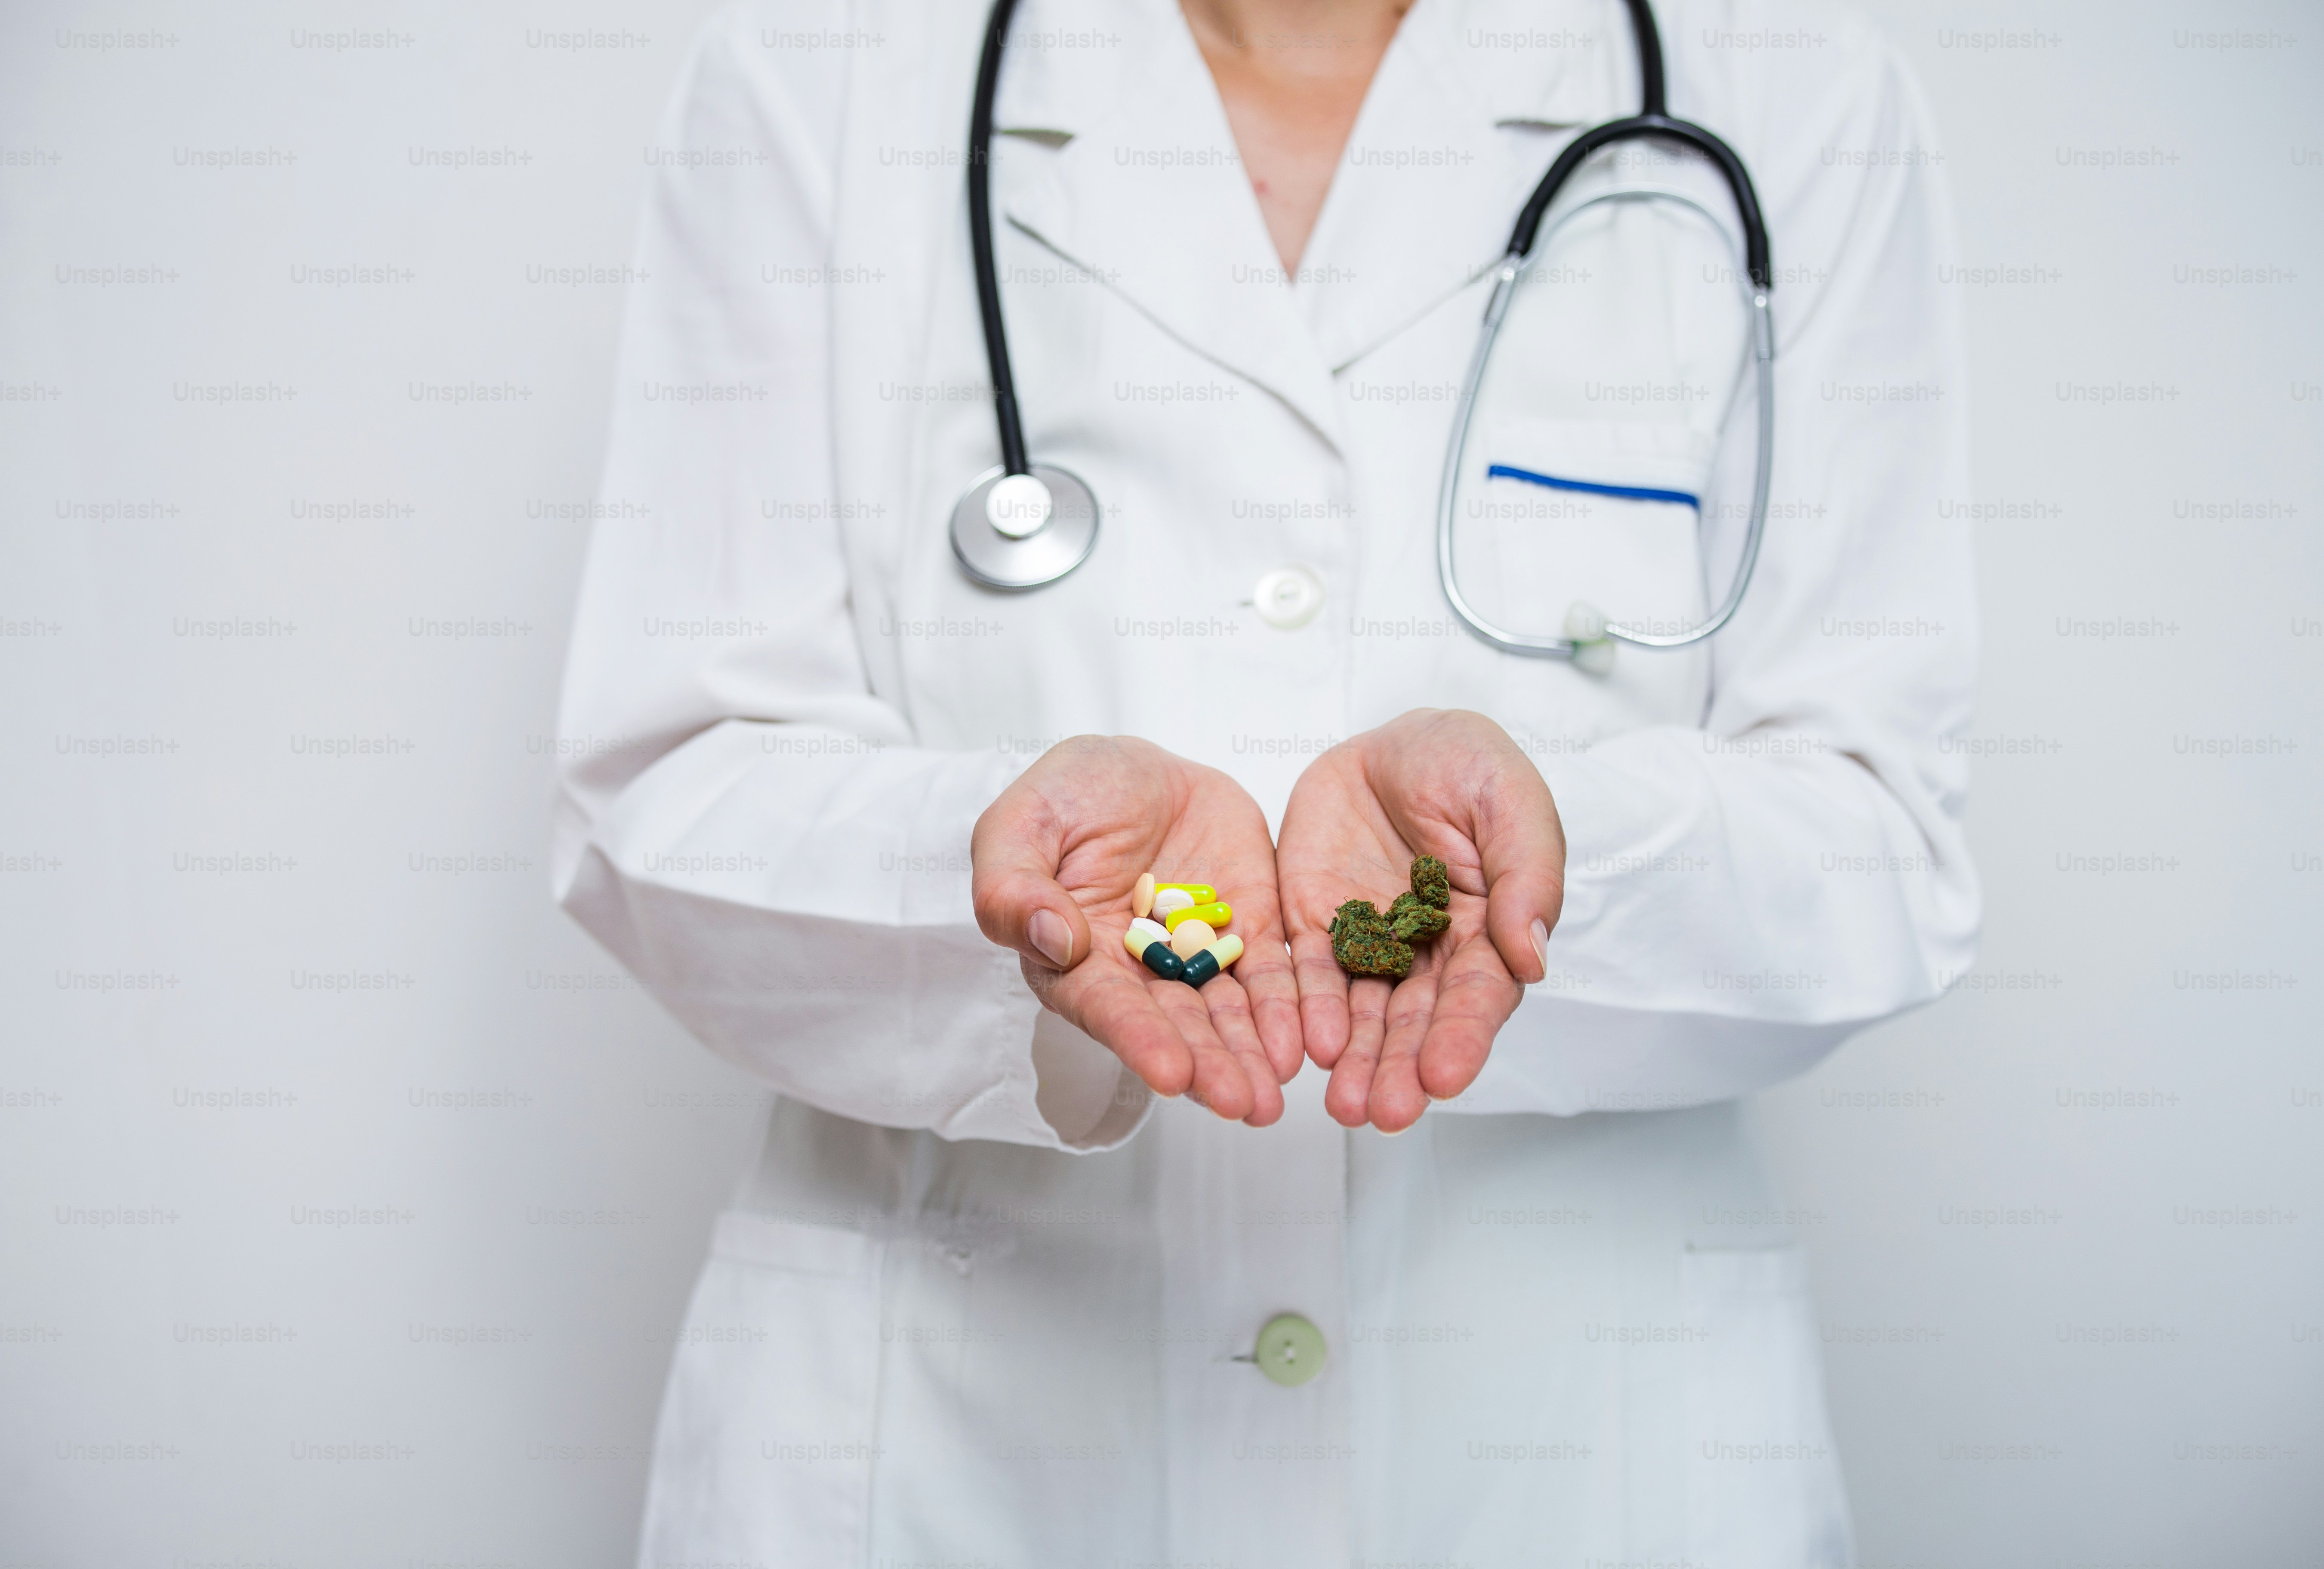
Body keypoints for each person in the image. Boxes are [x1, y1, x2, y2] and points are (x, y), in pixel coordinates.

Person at [551, 0, 1976, 1561]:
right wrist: (1001, 874)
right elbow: (669, 793)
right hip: (950, 1458)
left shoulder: (1799, 101)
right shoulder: (813, 81)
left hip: (1571, 1455)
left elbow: (1879, 837)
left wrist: (1565, 847)